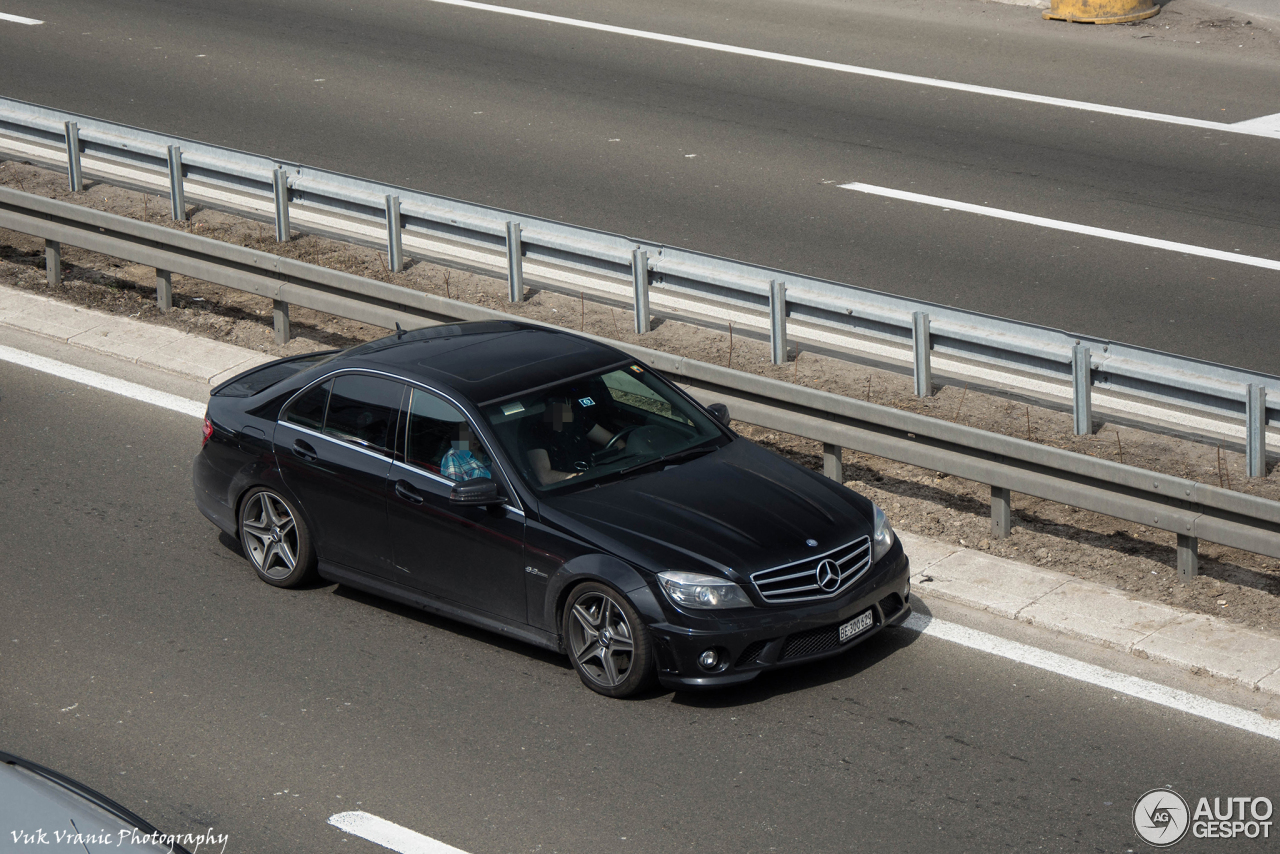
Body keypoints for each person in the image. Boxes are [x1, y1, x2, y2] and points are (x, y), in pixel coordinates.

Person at [522, 397, 622, 485]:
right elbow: (545, 477)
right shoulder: (536, 432)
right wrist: (581, 477)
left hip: (601, 478)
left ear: (569, 405)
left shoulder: (577, 419)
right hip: (569, 487)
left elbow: (618, 443)